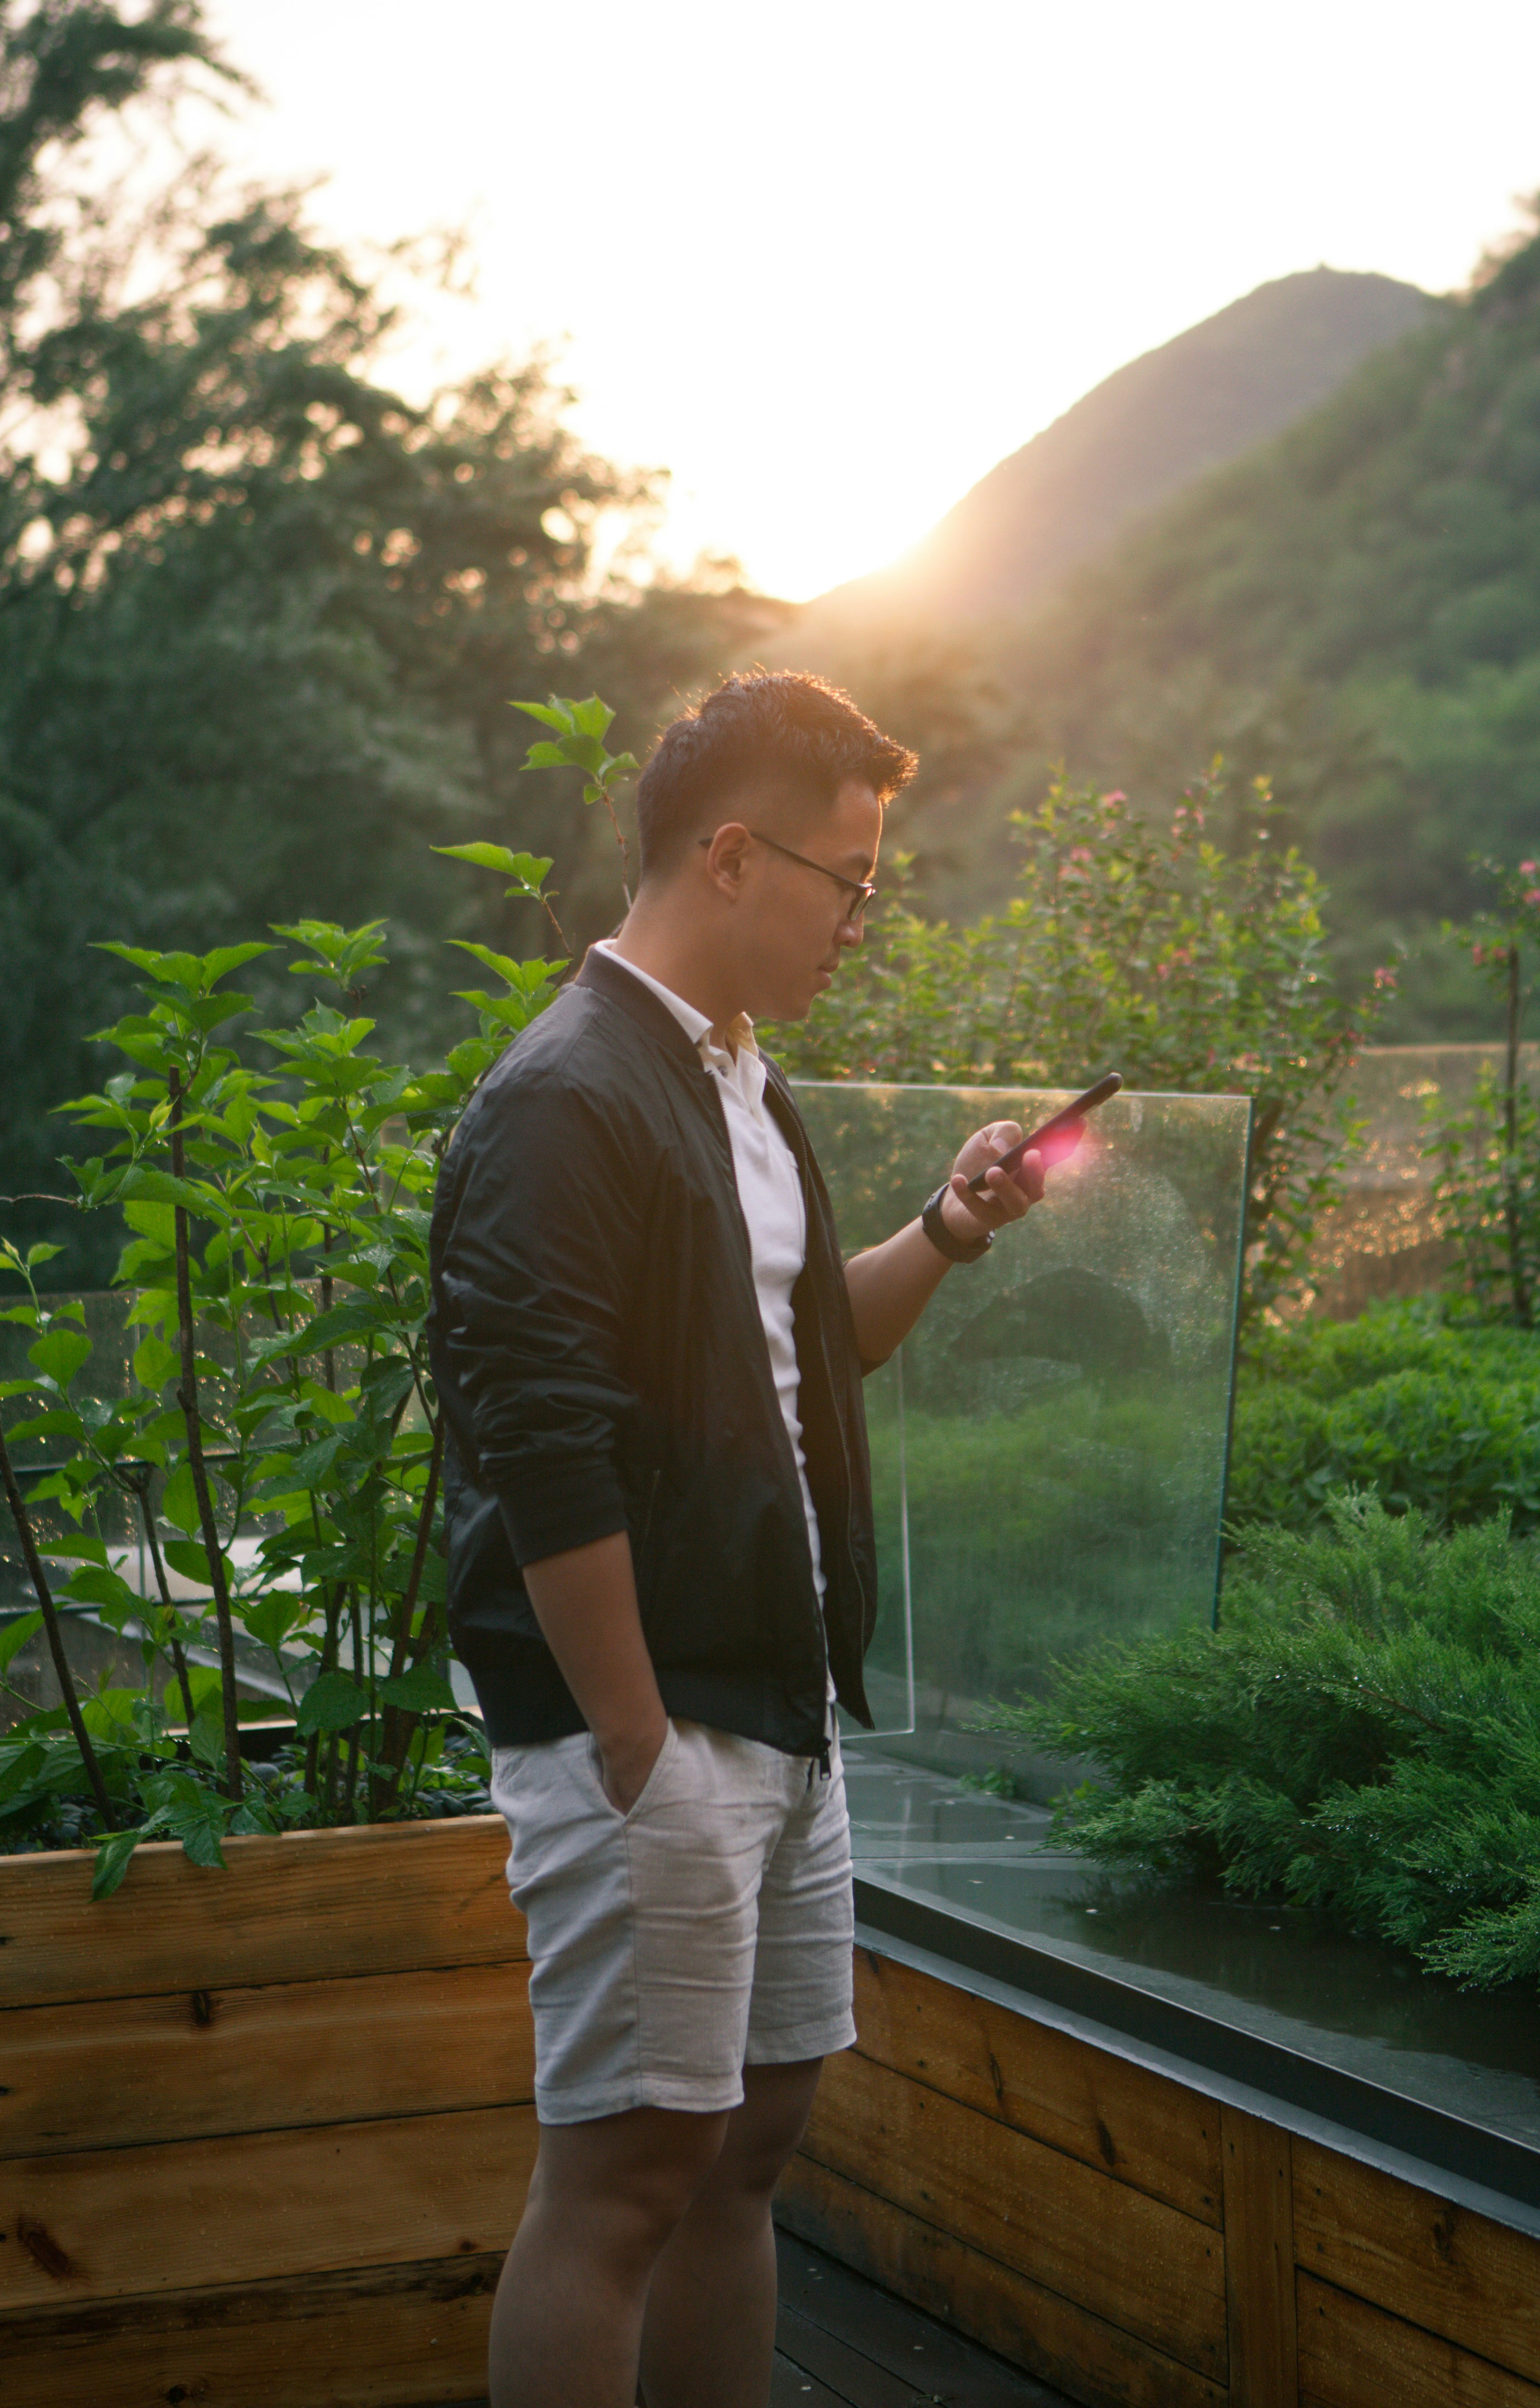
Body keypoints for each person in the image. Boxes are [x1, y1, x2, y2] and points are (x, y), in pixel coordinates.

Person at [430, 669, 1048, 2408]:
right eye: (849, 879)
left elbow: (805, 1348)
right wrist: (634, 1742)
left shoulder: (743, 1090)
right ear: (728, 854)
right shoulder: (568, 1097)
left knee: (746, 2155)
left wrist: (946, 1224)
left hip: (781, 1717)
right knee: (622, 2182)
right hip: (661, 1733)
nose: (865, 917)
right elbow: (542, 1452)